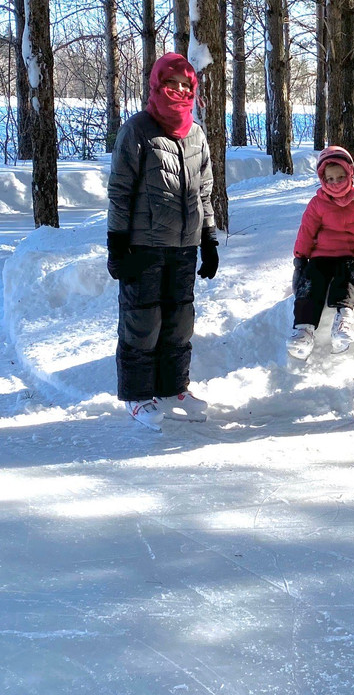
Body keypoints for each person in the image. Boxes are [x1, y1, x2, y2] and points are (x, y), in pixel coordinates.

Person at [106, 52, 219, 429]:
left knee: (179, 321)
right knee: (143, 321)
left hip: (183, 248)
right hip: (144, 247)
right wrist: (116, 244)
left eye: (186, 85)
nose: (179, 91)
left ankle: (173, 389)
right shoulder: (137, 130)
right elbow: (120, 192)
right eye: (171, 84)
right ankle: (138, 395)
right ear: (156, 85)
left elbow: (204, 191)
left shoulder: (197, 134)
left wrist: (209, 241)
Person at [287, 146, 354, 360]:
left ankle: (344, 318)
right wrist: (300, 260)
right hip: (321, 255)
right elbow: (306, 231)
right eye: (330, 178)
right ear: (322, 178)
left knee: (349, 277)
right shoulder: (317, 204)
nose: (335, 183)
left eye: (340, 177)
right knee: (312, 280)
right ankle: (303, 328)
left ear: (350, 174)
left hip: (350, 254)